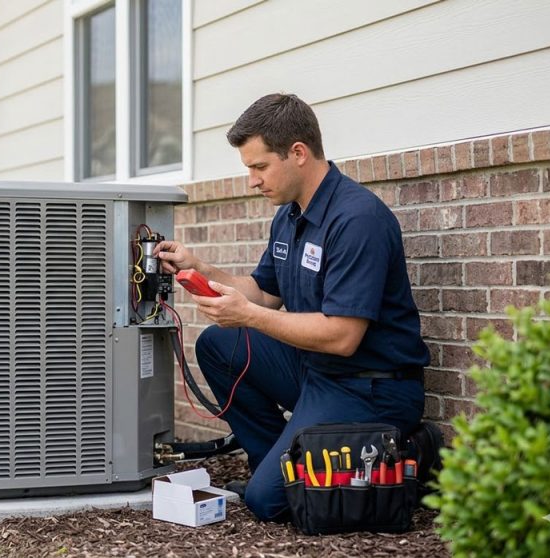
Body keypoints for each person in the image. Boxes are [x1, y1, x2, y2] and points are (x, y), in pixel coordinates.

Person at [154, 93, 429, 521]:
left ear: (298, 153)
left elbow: (342, 337)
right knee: (218, 345)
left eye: (259, 166)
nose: (252, 180)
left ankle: (411, 452)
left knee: (266, 503)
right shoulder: (289, 215)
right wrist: (199, 268)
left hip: (369, 386)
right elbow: (262, 292)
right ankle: (281, 463)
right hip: (314, 371)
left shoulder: (357, 220)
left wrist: (250, 316)